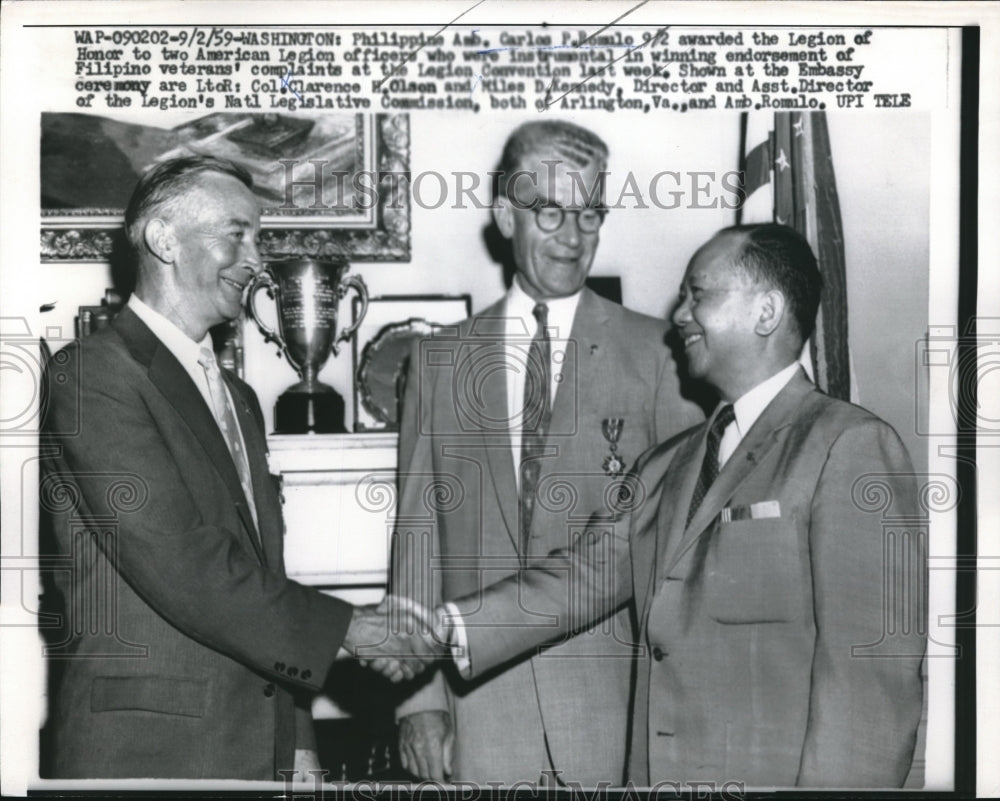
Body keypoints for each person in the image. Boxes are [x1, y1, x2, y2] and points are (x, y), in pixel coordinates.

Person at [437, 224, 926, 788]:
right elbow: (584, 574)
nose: (679, 315)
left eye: (700, 294)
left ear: (766, 312)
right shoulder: (668, 462)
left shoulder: (848, 445)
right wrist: (440, 628)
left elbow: (869, 686)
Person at [39, 155, 427, 780]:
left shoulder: (238, 399)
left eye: (259, 236)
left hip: (251, 753)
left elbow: (262, 574)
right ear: (163, 239)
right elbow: (182, 562)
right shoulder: (94, 376)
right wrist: (351, 629)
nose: (256, 258)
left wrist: (297, 740)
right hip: (147, 755)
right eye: (236, 233)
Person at [390, 120, 702, 785]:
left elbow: (683, 555)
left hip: (617, 714)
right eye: (551, 211)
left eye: (590, 213)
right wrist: (416, 700)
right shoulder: (439, 362)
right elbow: (418, 540)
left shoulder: (661, 357)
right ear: (505, 214)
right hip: (480, 715)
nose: (572, 236)